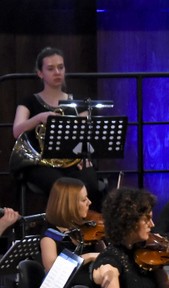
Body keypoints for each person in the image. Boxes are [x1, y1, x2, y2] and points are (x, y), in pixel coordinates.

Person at [12, 47, 102, 206]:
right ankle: (60, 226)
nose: (57, 72)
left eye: (61, 67)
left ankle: (88, 226)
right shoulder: (29, 101)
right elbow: (17, 130)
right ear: (40, 73)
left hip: (73, 162)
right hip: (40, 163)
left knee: (92, 184)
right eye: (51, 68)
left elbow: (85, 137)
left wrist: (84, 155)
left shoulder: (78, 104)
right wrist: (40, 118)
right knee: (61, 186)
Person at [40, 177, 104, 287]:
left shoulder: (86, 228)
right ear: (68, 205)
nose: (89, 202)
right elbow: (53, 269)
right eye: (84, 200)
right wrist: (88, 256)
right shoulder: (49, 236)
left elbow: (104, 254)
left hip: (91, 281)